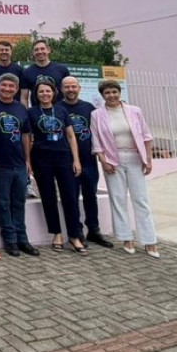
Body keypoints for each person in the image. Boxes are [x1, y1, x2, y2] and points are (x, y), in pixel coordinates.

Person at [90, 80, 159, 258]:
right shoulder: (97, 115)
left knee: (141, 200)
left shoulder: (134, 111)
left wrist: (148, 159)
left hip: (135, 158)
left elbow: (146, 136)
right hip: (113, 160)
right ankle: (126, 238)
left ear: (119, 93)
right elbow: (96, 142)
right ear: (102, 95)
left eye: (114, 92)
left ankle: (149, 240)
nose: (111, 95)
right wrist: (103, 161)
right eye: (107, 93)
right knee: (118, 199)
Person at [26, 79, 86, 254]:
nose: (45, 94)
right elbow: (28, 139)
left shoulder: (61, 110)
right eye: (41, 91)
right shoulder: (31, 112)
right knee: (48, 196)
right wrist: (28, 162)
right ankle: (57, 233)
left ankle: (74, 235)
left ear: (54, 93)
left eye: (48, 91)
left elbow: (71, 136)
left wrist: (76, 160)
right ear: (36, 95)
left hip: (63, 157)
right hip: (41, 158)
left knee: (70, 196)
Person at [0, 74, 38, 257]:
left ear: (16, 89)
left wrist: (28, 160)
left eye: (11, 86)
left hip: (19, 164)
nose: (7, 89)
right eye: (4, 85)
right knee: (3, 203)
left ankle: (23, 239)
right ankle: (10, 240)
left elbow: (25, 136)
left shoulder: (21, 108)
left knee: (19, 202)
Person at [61, 77, 113, 248]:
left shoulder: (89, 108)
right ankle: (76, 231)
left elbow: (98, 133)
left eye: (73, 86)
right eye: (67, 87)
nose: (70, 89)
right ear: (61, 89)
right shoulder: (58, 108)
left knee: (91, 196)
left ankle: (94, 230)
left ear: (79, 88)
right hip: (68, 162)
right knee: (72, 198)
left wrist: (102, 156)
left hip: (89, 160)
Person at [20, 38, 70, 106]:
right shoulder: (27, 72)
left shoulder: (62, 69)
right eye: (36, 50)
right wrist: (26, 114)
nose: (40, 52)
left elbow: (68, 92)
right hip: (37, 114)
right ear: (33, 53)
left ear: (48, 50)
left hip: (59, 112)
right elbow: (24, 98)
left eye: (42, 48)